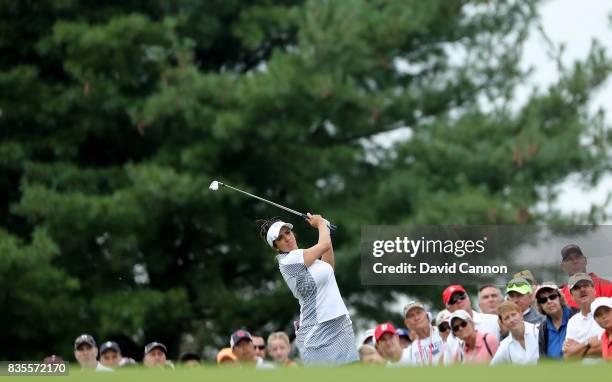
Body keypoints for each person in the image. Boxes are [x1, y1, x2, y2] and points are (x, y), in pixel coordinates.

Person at [258, 216, 358, 365]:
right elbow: (324, 244)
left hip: (340, 324)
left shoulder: (310, 260)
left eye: (287, 232)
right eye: (280, 238)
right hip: (318, 332)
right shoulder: (288, 260)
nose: (287, 238)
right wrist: (320, 224)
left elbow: (329, 267)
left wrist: (325, 228)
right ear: (276, 246)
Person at [441, 285, 500, 365]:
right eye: (452, 300)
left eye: (461, 296)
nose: (458, 301)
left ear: (469, 299)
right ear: (448, 308)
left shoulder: (494, 320)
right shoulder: (451, 339)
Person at [563, 273, 603, 361]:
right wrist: (588, 342)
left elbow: (606, 348)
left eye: (585, 285)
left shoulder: (607, 310)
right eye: (576, 288)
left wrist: (577, 349)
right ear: (572, 297)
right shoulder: (573, 321)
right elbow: (568, 357)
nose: (582, 289)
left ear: (594, 290)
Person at [558, 244, 612, 308]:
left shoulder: (606, 285)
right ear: (563, 266)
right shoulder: (559, 295)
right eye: (569, 259)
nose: (575, 261)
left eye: (577, 257)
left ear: (585, 260)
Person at [535, 283, 578, 359]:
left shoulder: (577, 316)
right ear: (540, 305)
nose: (549, 301)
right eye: (543, 300)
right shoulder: (543, 329)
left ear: (560, 298)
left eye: (552, 297)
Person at [403, 301, 444, 366]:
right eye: (411, 316)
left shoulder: (443, 331)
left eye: (418, 313)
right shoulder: (410, 351)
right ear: (407, 324)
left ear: (427, 315)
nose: (416, 318)